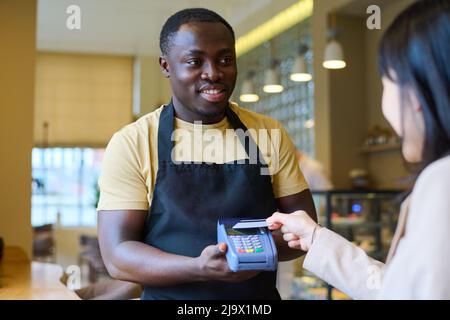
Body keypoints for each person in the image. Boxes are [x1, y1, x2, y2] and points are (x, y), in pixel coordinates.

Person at [97, 8, 317, 300]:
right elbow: (117, 254)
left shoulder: (268, 135)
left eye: (225, 60)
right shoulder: (134, 142)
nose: (213, 73)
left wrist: (245, 252)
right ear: (166, 66)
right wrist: (198, 267)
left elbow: (302, 231)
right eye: (194, 61)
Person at [267, 0, 450, 299]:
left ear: (416, 93)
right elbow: (393, 288)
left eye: (386, 83)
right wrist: (314, 237)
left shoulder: (442, 181)